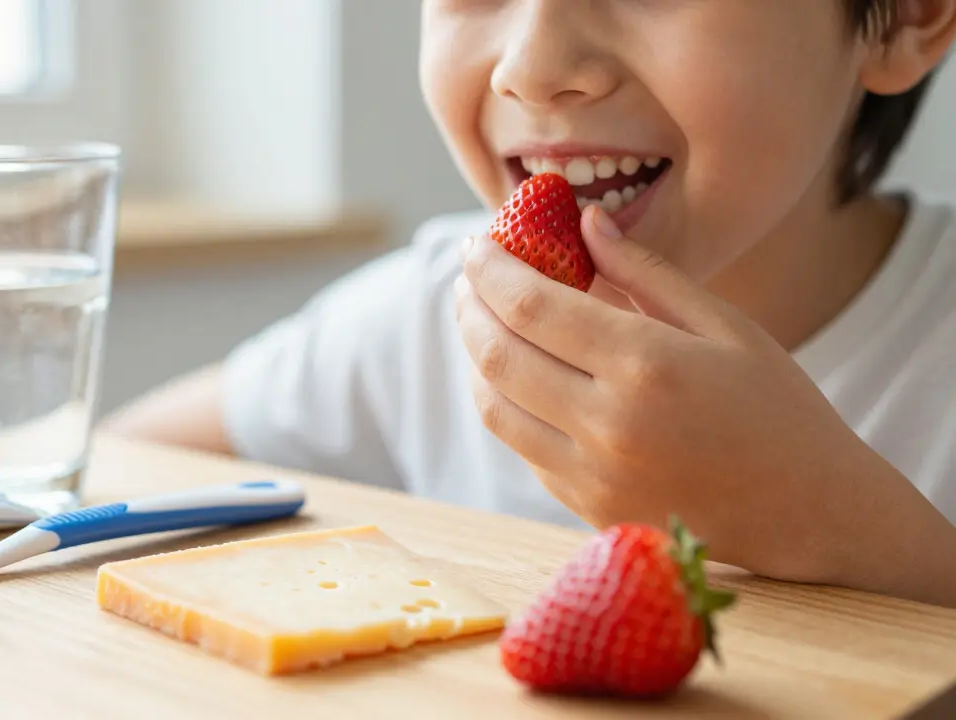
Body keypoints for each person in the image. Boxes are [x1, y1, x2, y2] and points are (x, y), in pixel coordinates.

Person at [104, 0, 956, 607]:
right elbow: (107, 482)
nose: (533, 68)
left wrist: (835, 524)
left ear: (909, 14)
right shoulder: (422, 316)